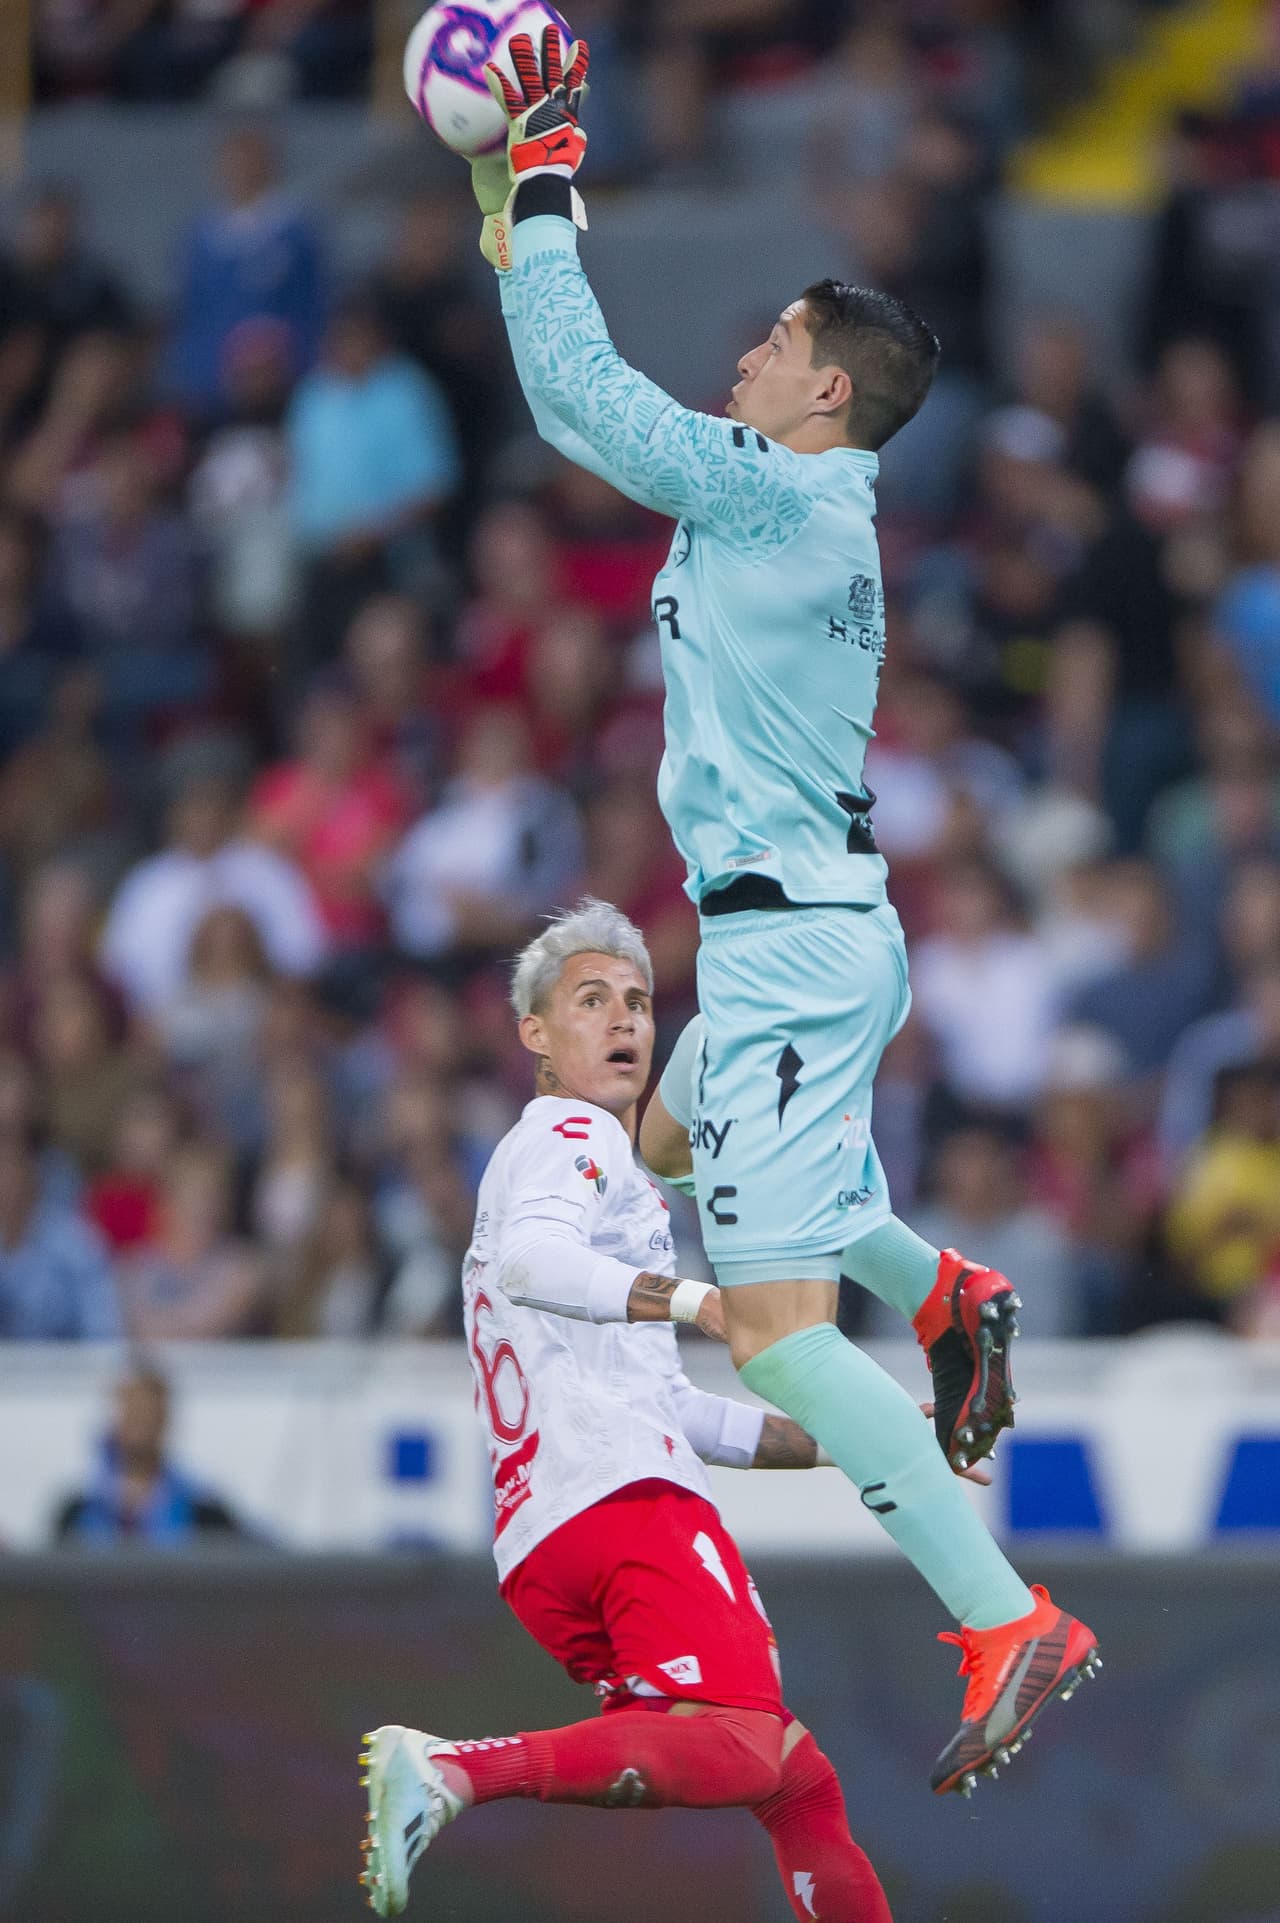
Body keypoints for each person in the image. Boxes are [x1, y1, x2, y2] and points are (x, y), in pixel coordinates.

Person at [466, 29, 1099, 1797]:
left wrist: (548, 175)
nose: (744, 354)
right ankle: (949, 1284)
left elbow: (581, 403)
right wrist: (504, 202)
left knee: (773, 1332)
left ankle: (1002, 1617)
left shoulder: (772, 487)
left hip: (793, 944)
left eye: (773, 344)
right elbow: (571, 374)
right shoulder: (804, 496)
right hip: (780, 940)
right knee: (659, 1134)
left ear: (826, 393)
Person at [359, 902, 894, 1921]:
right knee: (742, 1740)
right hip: (618, 1500)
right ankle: (454, 1770)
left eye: (639, 1003)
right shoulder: (570, 1136)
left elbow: (675, 1409)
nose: (625, 1020)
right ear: (536, 1037)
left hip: (547, 1535)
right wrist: (697, 1300)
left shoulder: (587, 1167)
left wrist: (866, 1445)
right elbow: (532, 1261)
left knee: (790, 1774)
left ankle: (461, 1771)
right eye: (592, 999)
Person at [55, 1360, 249, 1544]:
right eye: (132, 1410)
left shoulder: (204, 1511)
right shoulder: (77, 1514)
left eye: (148, 1411)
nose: (141, 1422)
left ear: (165, 1419)